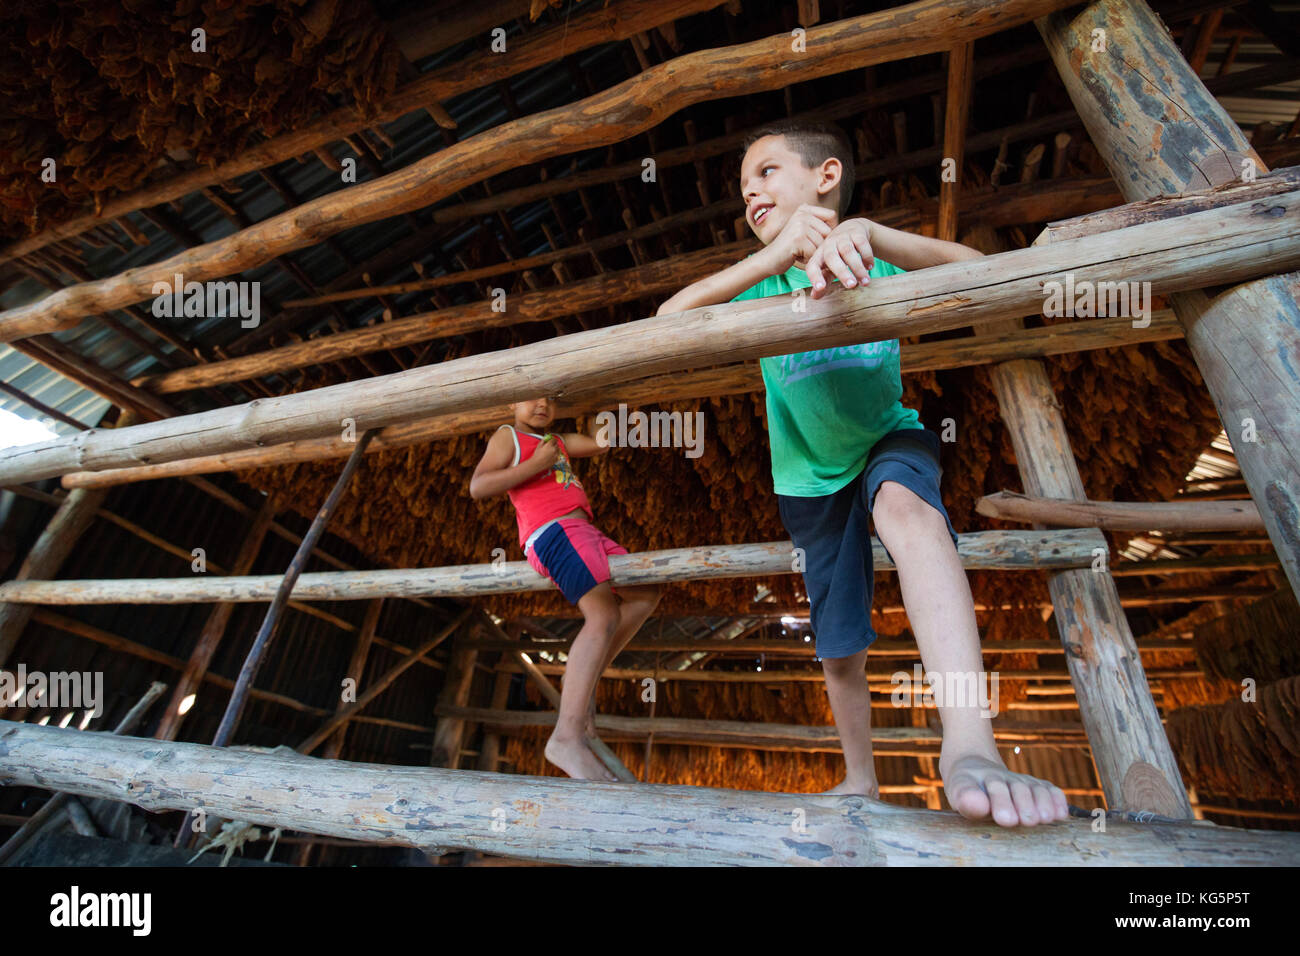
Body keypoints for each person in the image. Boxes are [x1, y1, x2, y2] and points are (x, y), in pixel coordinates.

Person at [656, 119, 1069, 827]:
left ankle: (970, 744)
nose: (749, 190)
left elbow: (980, 269)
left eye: (765, 171)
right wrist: (771, 258)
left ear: (827, 177)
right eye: (743, 184)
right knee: (839, 641)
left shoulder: (868, 257)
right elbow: (666, 323)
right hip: (807, 477)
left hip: (888, 436)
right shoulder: (760, 288)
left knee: (908, 512)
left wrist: (875, 236)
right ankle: (859, 775)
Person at [470, 396, 661, 781]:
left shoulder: (555, 441)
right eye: (532, 396)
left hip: (584, 532)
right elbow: (479, 486)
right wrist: (535, 466)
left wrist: (622, 410)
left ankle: (583, 684)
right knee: (602, 614)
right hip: (554, 531)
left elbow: (599, 443)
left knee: (648, 591)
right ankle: (566, 736)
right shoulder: (508, 436)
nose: (542, 404)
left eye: (550, 399)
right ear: (510, 401)